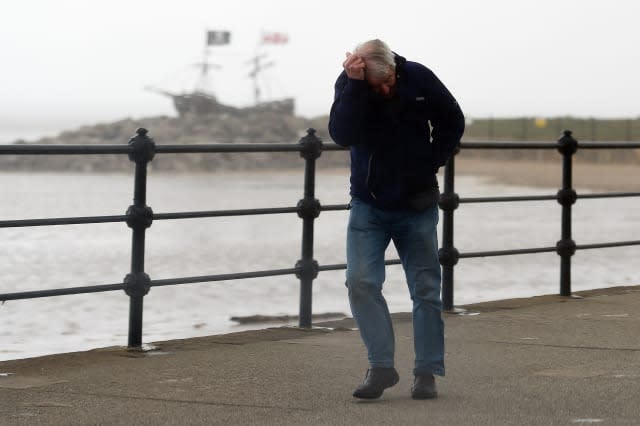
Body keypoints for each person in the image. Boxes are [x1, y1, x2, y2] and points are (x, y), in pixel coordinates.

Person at [328, 39, 464, 400]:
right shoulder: (350, 84)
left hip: (417, 203)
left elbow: (453, 118)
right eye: (378, 86)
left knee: (425, 291)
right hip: (368, 205)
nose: (386, 89)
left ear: (394, 67)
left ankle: (427, 372)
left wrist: (432, 160)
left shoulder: (418, 77)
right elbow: (342, 134)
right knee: (360, 282)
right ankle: (381, 367)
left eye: (389, 81)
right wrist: (356, 87)